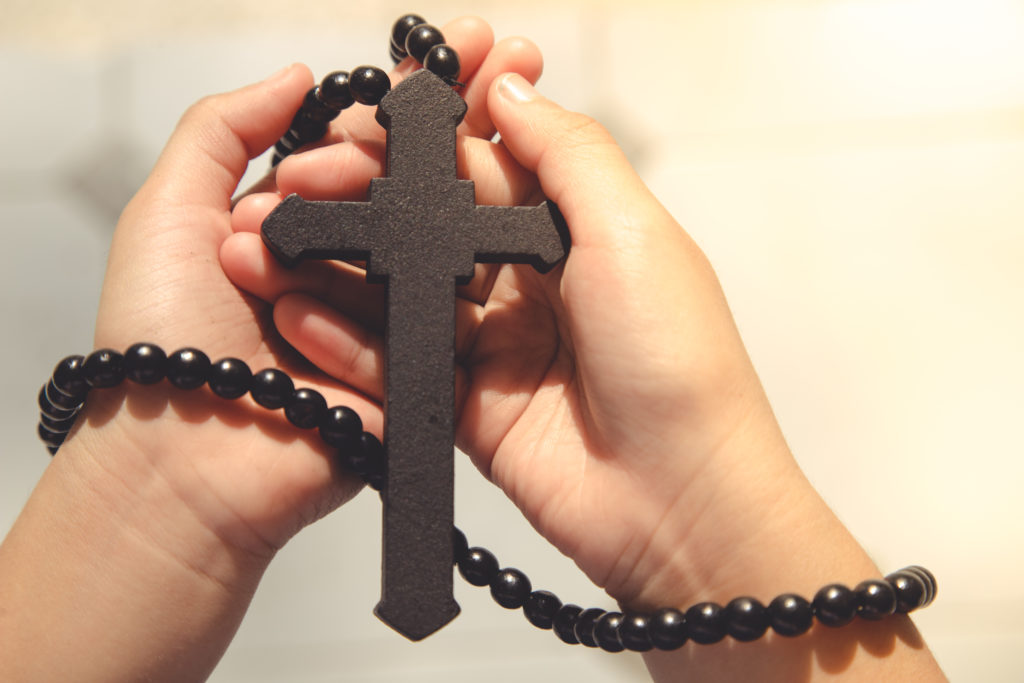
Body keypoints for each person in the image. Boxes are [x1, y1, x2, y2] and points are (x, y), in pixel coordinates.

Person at [0, 16, 945, 683]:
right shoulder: (356, 220)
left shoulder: (514, 236)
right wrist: (159, 478)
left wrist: (694, 505)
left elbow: (319, 226)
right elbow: (288, 227)